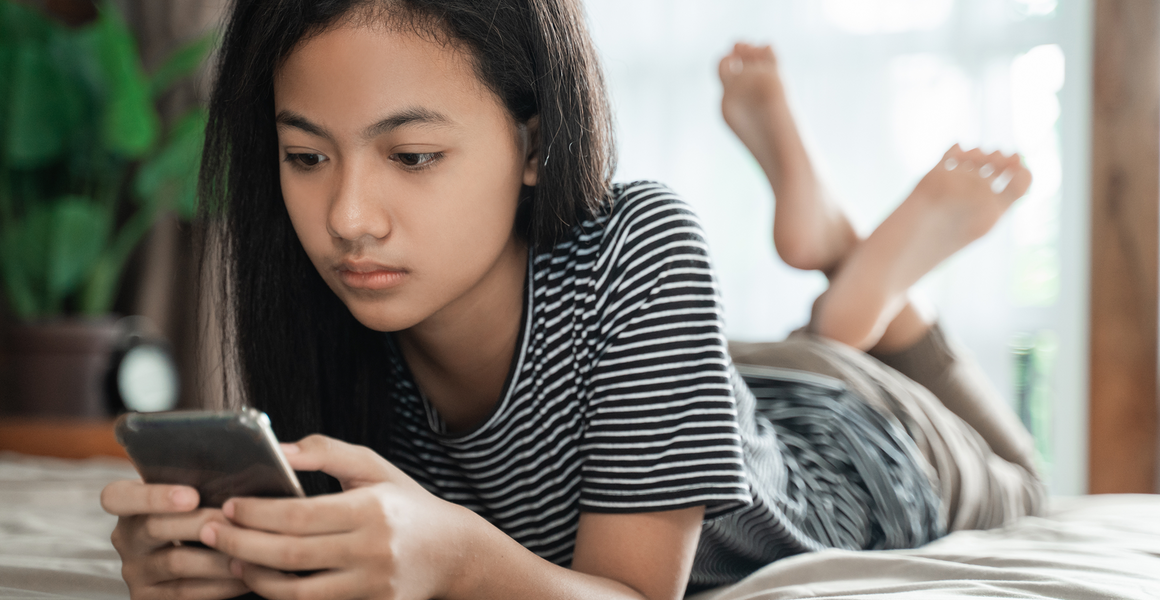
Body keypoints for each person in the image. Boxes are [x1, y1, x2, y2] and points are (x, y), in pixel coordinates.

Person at [99, 2, 1042, 599]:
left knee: (1023, 479)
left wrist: (457, 559)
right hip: (734, 383)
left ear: (536, 143)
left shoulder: (641, 242)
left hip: (863, 443)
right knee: (798, 356)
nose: (347, 218)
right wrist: (223, 559)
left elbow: (631, 595)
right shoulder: (327, 310)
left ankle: (869, 283)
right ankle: (843, 267)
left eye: (413, 157)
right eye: (306, 157)